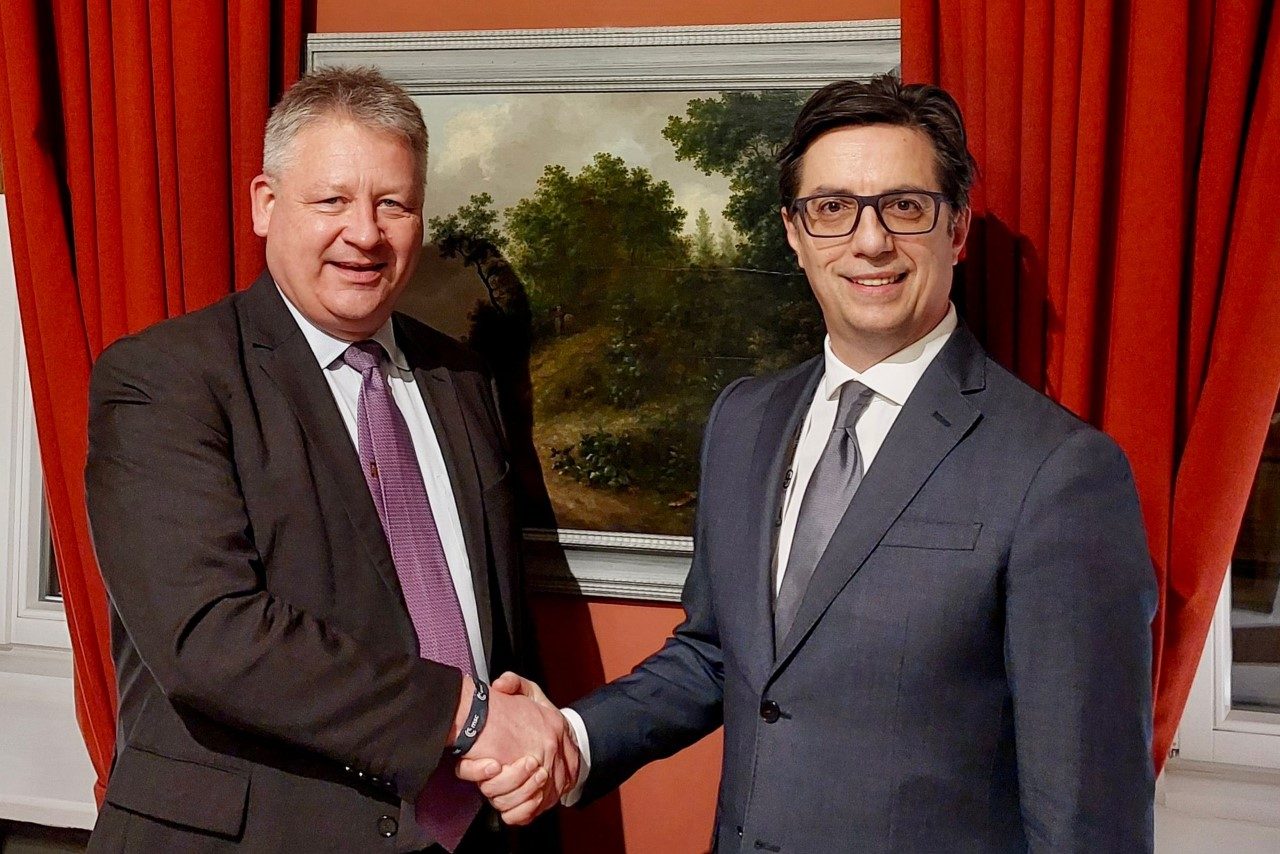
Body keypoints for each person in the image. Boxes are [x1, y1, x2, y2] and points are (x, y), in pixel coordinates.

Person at [467, 74, 1158, 852]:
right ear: (794, 235)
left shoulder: (1061, 471)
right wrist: (572, 739)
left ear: (957, 229)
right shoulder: (744, 420)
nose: (870, 242)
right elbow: (718, 653)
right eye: (832, 209)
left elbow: (1087, 813)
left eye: (904, 206)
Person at [84, 67, 575, 853]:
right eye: (332, 200)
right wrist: (467, 714)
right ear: (265, 204)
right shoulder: (163, 379)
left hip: (466, 833)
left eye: (394, 204)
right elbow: (208, 635)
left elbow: (495, 618)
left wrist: (527, 760)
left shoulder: (462, 379)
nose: (366, 233)